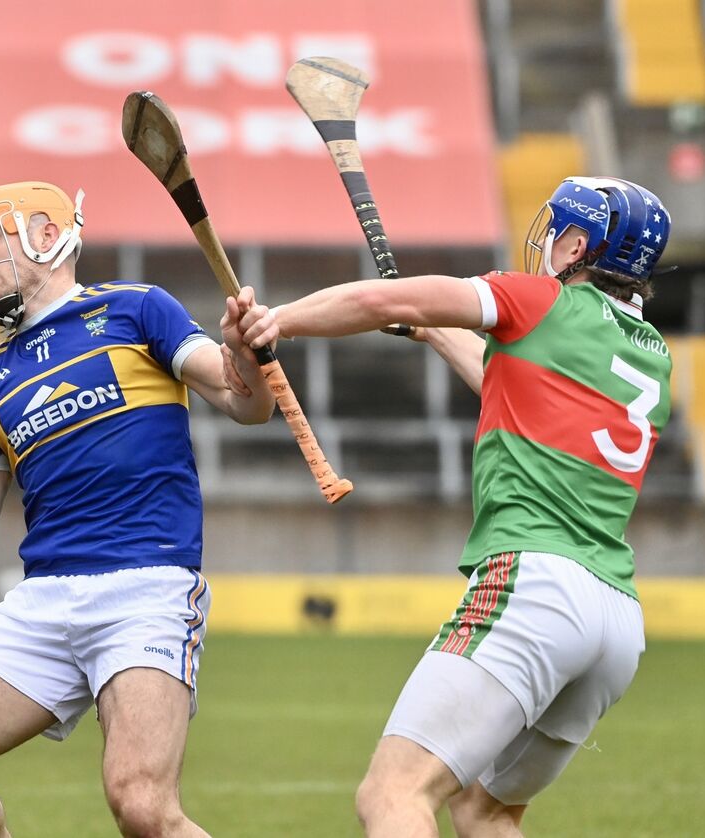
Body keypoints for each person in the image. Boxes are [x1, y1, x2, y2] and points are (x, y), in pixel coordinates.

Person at [0, 181, 275, 837]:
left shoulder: (136, 310)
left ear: (45, 232)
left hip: (145, 586)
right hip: (46, 598)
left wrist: (248, 353)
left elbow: (244, 403)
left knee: (143, 808)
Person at [232, 176, 672, 837]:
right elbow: (518, 385)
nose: (545, 240)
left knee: (392, 796)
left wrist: (279, 319)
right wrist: (437, 333)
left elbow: (383, 299)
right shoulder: (653, 356)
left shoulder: (537, 299)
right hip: (614, 624)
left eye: (557, 230)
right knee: (482, 810)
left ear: (579, 244)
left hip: (535, 584)